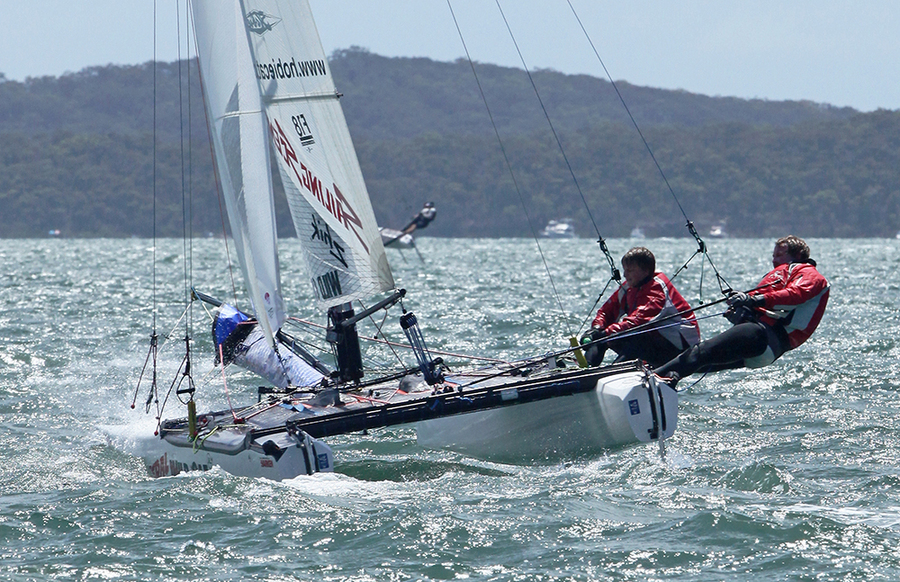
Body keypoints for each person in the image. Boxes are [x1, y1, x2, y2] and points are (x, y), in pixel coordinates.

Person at [654, 235, 830, 384]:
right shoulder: (784, 275)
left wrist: (753, 300)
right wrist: (742, 312)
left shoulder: (809, 273)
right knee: (700, 363)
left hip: (763, 337)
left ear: (798, 255)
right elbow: (777, 307)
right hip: (762, 347)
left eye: (779, 255)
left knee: (699, 353)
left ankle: (652, 378)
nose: (774, 260)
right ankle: (665, 383)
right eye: (773, 255)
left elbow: (795, 295)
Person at [582, 247, 700, 368]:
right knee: (602, 334)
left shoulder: (657, 290)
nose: (624, 275)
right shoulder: (628, 287)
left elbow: (637, 321)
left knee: (634, 338)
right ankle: (586, 368)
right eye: (624, 270)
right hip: (653, 342)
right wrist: (596, 329)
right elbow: (607, 312)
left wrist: (605, 334)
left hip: (681, 350)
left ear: (646, 271)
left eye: (630, 270)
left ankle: (613, 371)